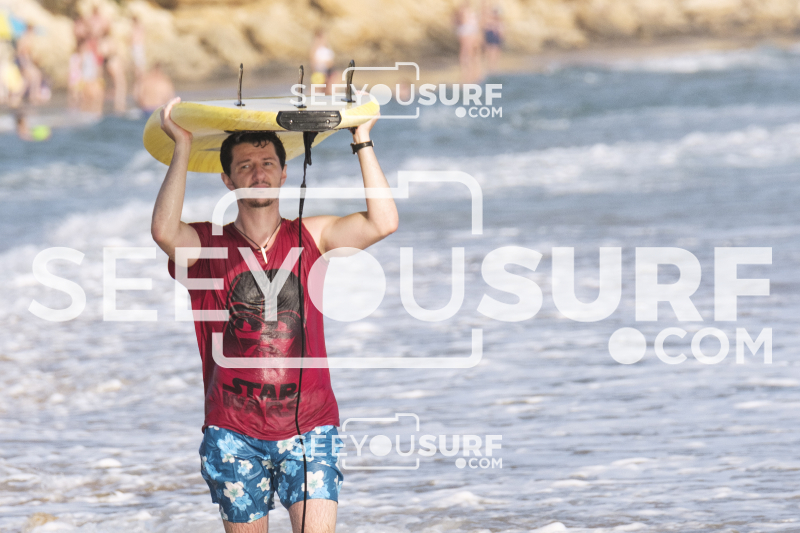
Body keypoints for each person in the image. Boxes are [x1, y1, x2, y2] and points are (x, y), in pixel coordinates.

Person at [151, 96, 398, 532]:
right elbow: (163, 231)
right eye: (245, 166)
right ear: (227, 179)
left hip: (310, 427)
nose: (258, 173)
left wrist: (362, 140)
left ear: (284, 173)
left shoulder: (312, 236)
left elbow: (383, 222)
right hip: (233, 432)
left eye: (267, 163)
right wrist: (182, 147)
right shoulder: (208, 248)